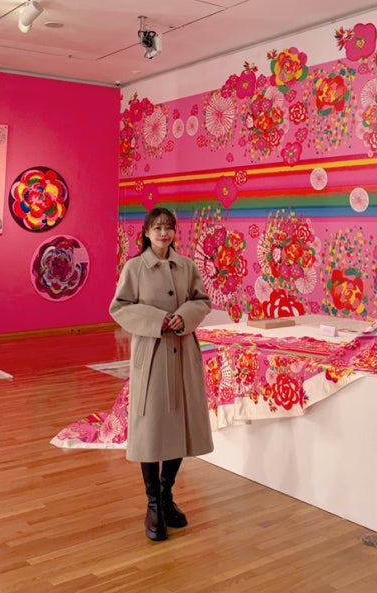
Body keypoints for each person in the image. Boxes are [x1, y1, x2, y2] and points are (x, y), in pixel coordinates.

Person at [110, 206, 213, 541]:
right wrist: (157, 320)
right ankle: (153, 503)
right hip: (152, 356)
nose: (164, 233)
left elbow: (202, 300)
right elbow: (119, 307)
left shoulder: (186, 266)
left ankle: (167, 496)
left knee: (178, 426)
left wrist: (185, 315)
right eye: (157, 228)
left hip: (183, 353)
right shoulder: (135, 267)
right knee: (152, 429)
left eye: (168, 227)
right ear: (146, 232)